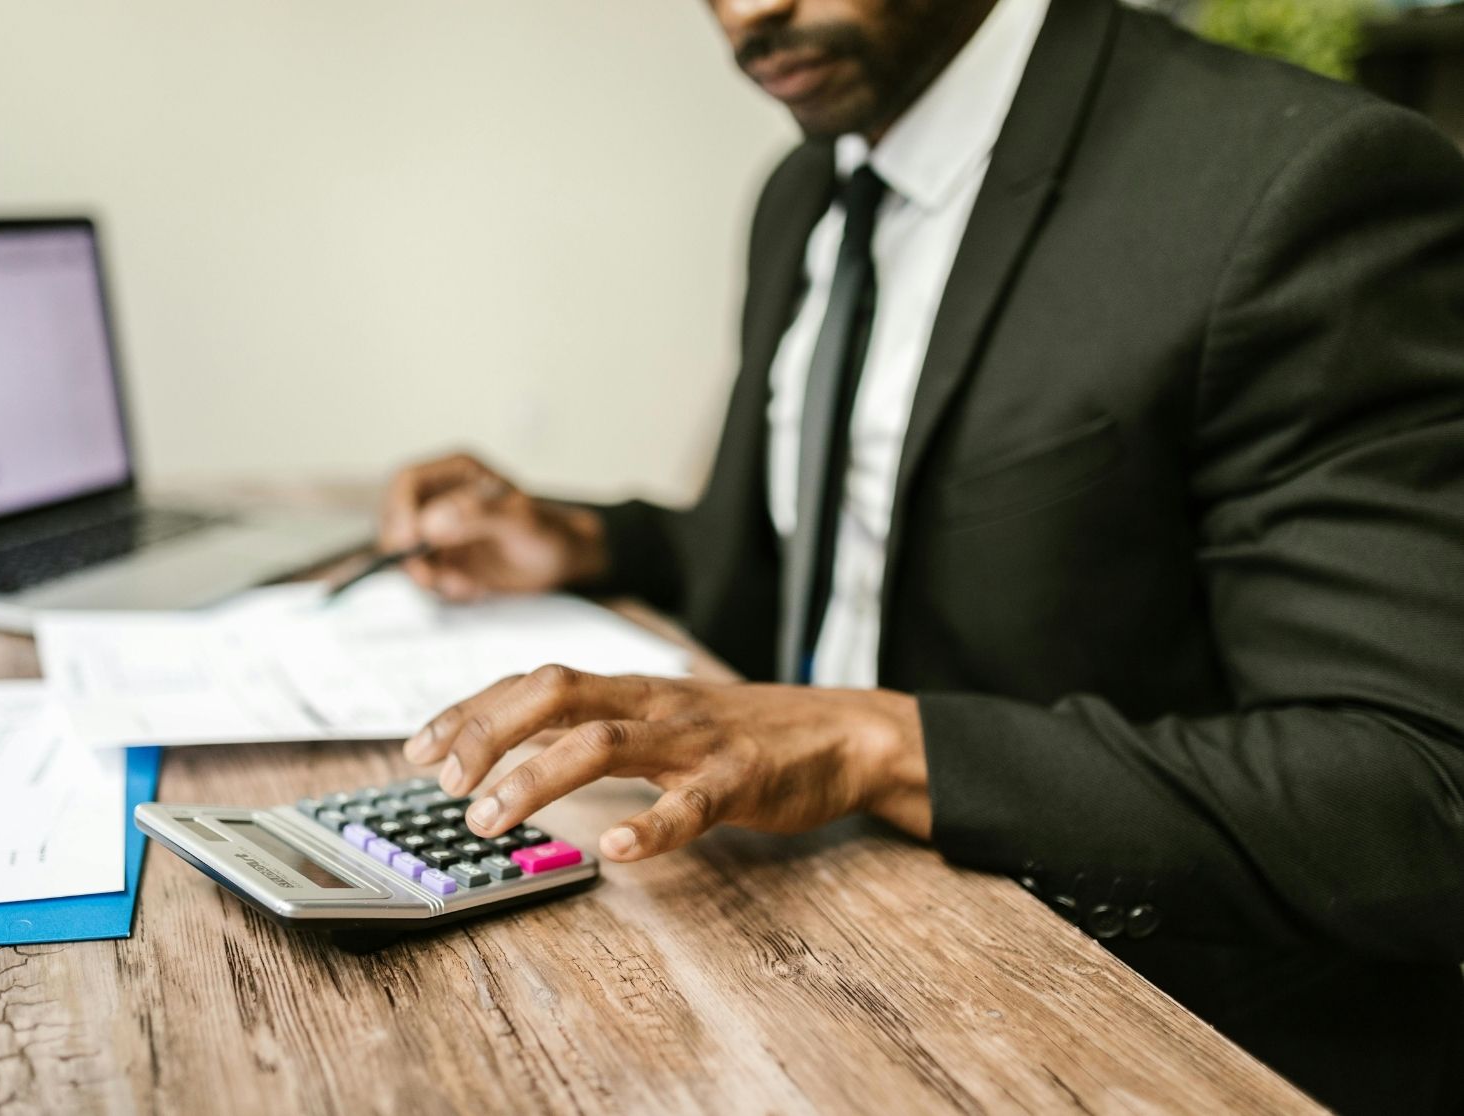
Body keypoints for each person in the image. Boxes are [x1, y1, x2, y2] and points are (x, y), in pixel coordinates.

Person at [378, 0, 1464, 1111]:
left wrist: (877, 742)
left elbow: (1417, 791)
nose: (747, 13)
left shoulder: (1296, 183)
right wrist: (586, 540)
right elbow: (835, 553)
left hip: (1127, 1031)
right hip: (796, 954)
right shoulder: (806, 189)